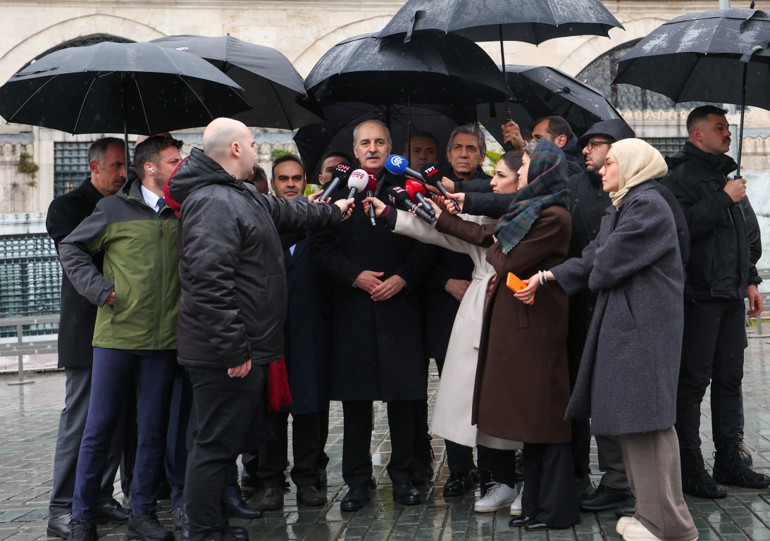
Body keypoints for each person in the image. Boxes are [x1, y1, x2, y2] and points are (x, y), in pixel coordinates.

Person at [169, 117, 351, 541]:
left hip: (241, 348)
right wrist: (234, 351)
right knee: (213, 447)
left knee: (219, 443)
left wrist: (333, 210)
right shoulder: (214, 201)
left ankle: (211, 524)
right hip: (224, 354)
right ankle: (204, 531)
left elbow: (288, 211)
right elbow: (208, 283)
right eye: (252, 143)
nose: (257, 151)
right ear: (235, 149)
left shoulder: (240, 195)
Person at [520, 138, 698, 541]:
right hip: (631, 329)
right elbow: (592, 255)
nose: (602, 169)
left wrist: (592, 263)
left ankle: (669, 525)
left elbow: (606, 264)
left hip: (644, 333)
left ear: (633, 166)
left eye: (611, 162)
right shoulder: (625, 204)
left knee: (648, 427)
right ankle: (650, 514)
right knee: (635, 427)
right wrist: (548, 276)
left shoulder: (648, 203)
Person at [365, 151, 525, 511]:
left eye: (500, 176)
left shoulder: (536, 214)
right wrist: (393, 214)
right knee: (480, 401)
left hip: (519, 307)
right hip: (479, 308)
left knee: (519, 398)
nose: (493, 183)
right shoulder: (481, 214)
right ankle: (497, 480)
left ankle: (531, 479)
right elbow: (442, 233)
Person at [433, 138, 579, 531]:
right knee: (530, 422)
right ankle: (534, 505)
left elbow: (503, 258)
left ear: (543, 168)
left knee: (542, 421)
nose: (525, 165)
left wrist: (497, 247)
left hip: (537, 322)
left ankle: (552, 507)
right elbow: (487, 238)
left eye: (529, 160)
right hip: (518, 321)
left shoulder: (552, 215)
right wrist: (438, 214)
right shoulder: (528, 208)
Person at [59, 135, 184, 541]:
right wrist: (100, 290)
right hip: (115, 339)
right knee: (98, 429)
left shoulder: (181, 211)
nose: (180, 165)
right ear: (151, 168)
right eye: (173, 160)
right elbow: (72, 247)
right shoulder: (111, 209)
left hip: (164, 342)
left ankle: (142, 513)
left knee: (151, 430)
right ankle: (81, 517)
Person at [310, 119, 436, 512]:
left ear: (391, 147)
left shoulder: (407, 189)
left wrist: (403, 279)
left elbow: (428, 243)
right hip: (354, 310)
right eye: (365, 142)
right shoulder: (338, 191)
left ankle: (403, 478)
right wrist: (354, 276)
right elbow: (320, 247)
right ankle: (357, 483)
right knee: (356, 402)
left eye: (380, 141)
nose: (373, 148)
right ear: (355, 148)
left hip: (399, 305)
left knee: (402, 399)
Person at [663, 105, 768, 498]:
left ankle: (730, 458)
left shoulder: (728, 177)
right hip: (699, 296)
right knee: (692, 383)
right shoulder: (679, 178)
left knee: (730, 379)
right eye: (719, 127)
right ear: (697, 135)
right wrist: (723, 198)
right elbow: (681, 230)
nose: (727, 133)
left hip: (730, 296)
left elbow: (743, 238)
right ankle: (690, 467)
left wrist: (751, 281)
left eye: (727, 127)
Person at [45, 137, 129, 540]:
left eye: (125, 165)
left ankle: (97, 495)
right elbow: (81, 253)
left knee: (113, 420)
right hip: (86, 329)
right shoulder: (66, 208)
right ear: (93, 167)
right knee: (79, 421)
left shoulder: (128, 201)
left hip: (123, 328)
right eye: (115, 166)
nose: (122, 173)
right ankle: (61, 506)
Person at [566, 119, 637, 513]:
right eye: (588, 146)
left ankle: (630, 482)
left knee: (623, 397)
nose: (590, 153)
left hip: (621, 309)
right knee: (585, 394)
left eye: (600, 146)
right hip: (579, 305)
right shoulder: (576, 186)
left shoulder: (640, 199)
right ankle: (589, 475)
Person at [254, 154, 330, 510]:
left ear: (305, 182)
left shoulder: (321, 224)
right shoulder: (261, 221)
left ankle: (307, 478)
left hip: (311, 330)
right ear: (272, 183)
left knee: (309, 408)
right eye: (282, 178)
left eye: (296, 178)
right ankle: (270, 481)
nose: (290, 184)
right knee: (271, 408)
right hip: (270, 333)